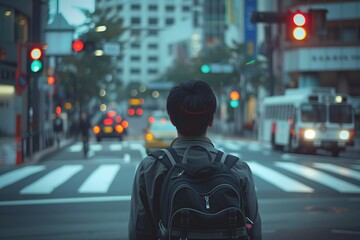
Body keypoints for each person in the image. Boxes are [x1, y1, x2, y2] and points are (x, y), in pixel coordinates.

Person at [128, 80, 262, 239]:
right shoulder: (237, 169)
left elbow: (139, 231)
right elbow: (254, 231)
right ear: (211, 119)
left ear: (172, 119)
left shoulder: (151, 168)